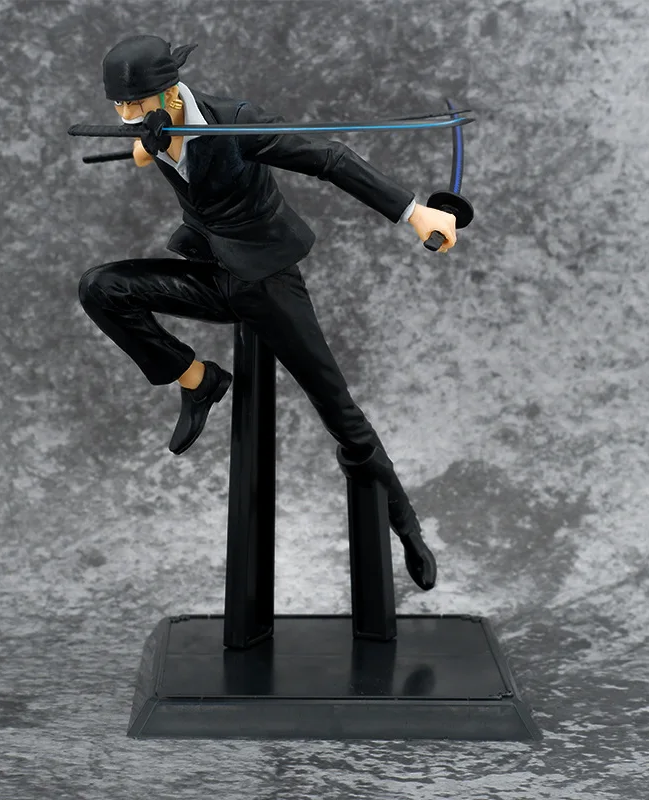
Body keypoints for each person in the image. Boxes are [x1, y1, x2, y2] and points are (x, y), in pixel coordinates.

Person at [77, 35, 458, 591]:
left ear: (171, 92)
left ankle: (408, 531)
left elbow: (330, 159)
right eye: (120, 106)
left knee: (342, 416)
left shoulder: (235, 122)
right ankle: (198, 379)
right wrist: (149, 146)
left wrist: (414, 212)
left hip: (267, 281)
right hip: (211, 271)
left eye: (137, 104)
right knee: (101, 288)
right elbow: (154, 148)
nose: (128, 117)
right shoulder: (154, 126)